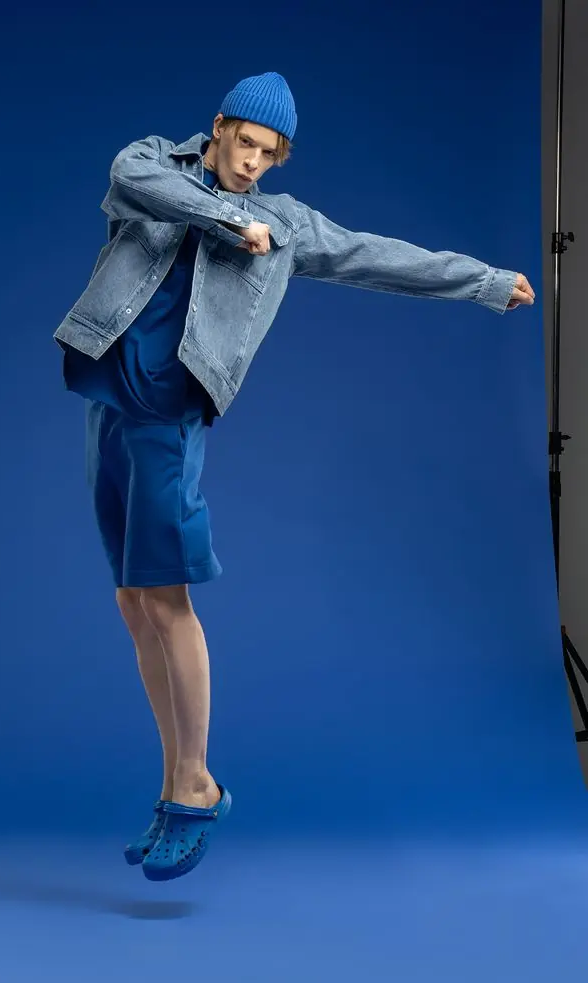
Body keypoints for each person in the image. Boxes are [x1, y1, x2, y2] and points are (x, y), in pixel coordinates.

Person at [53, 71, 536, 882]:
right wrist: (227, 217)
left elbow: (378, 257)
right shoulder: (154, 163)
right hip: (109, 403)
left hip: (168, 418)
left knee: (165, 602)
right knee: (132, 602)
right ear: (218, 127)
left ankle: (195, 788)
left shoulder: (285, 225)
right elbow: (132, 181)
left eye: (268, 155)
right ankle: (174, 783)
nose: (252, 164)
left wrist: (483, 282)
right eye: (245, 143)